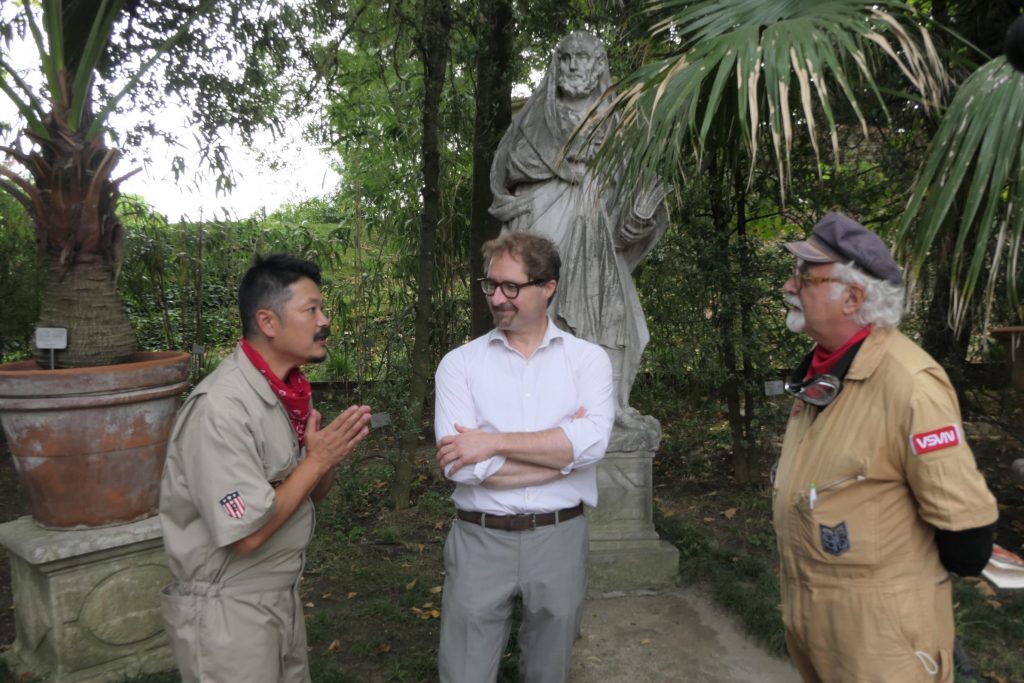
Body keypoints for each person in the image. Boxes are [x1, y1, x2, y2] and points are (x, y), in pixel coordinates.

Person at [773, 213, 999, 682]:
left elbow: (967, 537)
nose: (789, 287)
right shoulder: (824, 372)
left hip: (883, 644)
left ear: (852, 297)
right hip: (815, 623)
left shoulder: (910, 384)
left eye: (804, 277)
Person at [158, 253, 372, 683]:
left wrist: (320, 461)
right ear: (269, 322)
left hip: (279, 598)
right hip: (230, 612)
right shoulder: (220, 409)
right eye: (311, 310)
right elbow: (249, 535)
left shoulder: (286, 394)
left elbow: (311, 492)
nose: (324, 321)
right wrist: (317, 460)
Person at [434, 232, 614, 683]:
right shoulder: (459, 365)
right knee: (465, 674)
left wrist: (494, 443)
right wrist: (562, 454)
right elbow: (466, 467)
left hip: (560, 539)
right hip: (480, 542)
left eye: (511, 287)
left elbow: (593, 443)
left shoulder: (588, 361)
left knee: (549, 672)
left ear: (547, 286)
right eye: (490, 285)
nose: (497, 298)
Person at [489, 31, 666, 428]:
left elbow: (634, 194)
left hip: (597, 231)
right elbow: (506, 172)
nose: (572, 66)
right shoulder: (533, 118)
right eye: (565, 57)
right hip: (541, 228)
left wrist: (637, 215)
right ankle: (534, 411)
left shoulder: (620, 121)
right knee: (536, 312)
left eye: (581, 58)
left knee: (614, 315)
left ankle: (608, 407)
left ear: (599, 65)